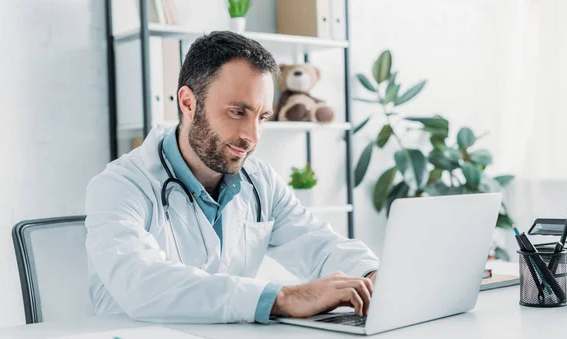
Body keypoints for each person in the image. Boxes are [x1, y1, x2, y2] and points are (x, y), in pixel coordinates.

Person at [85, 31, 379, 324]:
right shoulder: (120, 185)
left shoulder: (260, 181)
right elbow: (141, 282)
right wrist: (283, 298)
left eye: (262, 117)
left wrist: (370, 276)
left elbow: (318, 243)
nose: (252, 136)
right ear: (188, 103)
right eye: (237, 112)